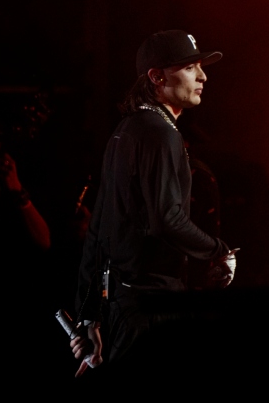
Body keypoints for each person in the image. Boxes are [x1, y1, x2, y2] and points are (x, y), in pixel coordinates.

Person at [70, 29, 237, 375]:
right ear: (157, 77)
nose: (203, 76)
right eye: (191, 68)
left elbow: (98, 230)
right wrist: (219, 250)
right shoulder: (161, 134)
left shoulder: (126, 130)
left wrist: (88, 316)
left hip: (124, 307)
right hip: (152, 310)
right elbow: (166, 217)